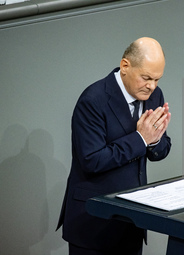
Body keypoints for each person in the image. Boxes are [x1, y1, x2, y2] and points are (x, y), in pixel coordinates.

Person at [56, 37, 172, 255]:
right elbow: (92, 160)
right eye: (146, 78)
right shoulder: (93, 100)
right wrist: (141, 138)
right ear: (125, 66)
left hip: (132, 221)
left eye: (157, 79)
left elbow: (161, 148)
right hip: (93, 223)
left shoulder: (154, 95)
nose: (152, 86)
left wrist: (155, 139)